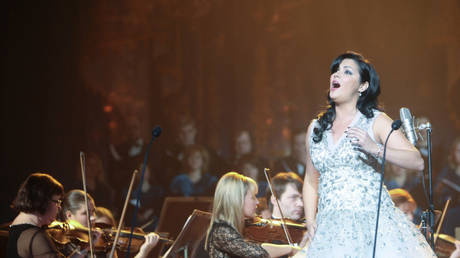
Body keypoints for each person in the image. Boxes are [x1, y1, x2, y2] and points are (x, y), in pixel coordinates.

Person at [298, 51, 435, 257]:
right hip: (330, 230)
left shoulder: (375, 121)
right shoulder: (316, 128)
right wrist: (310, 221)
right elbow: (310, 179)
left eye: (346, 72)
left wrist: (375, 148)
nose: (336, 75)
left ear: (362, 86)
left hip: (372, 226)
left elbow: (417, 161)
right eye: (335, 71)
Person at [205, 172, 298, 258]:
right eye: (253, 197)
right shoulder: (221, 232)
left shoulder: (239, 228)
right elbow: (258, 252)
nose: (257, 202)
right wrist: (291, 249)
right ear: (238, 200)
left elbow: (261, 246)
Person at [59, 189, 159, 258]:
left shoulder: (105, 242)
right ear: (69, 216)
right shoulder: (62, 244)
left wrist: (144, 251)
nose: (93, 217)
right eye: (85, 213)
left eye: (93, 211)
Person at [7, 172, 67, 257]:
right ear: (43, 200)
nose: (59, 207)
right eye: (57, 202)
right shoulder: (35, 236)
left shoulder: (16, 228)